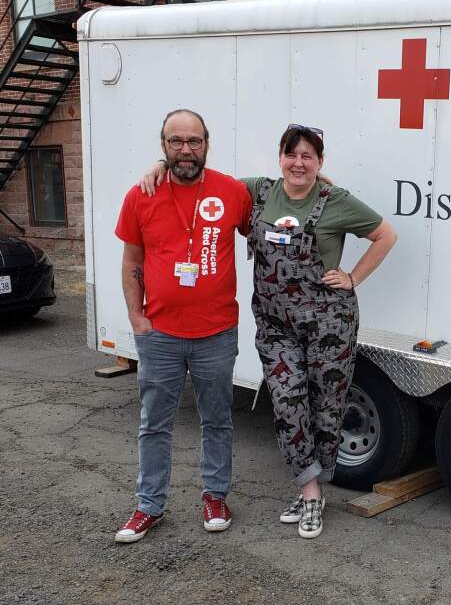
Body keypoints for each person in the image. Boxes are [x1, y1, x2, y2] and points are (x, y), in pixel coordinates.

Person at [140, 124, 397, 539]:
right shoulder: (257, 191)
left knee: (326, 407)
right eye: (291, 154)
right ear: (280, 157)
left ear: (320, 162)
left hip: (329, 325)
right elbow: (205, 181)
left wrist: (353, 277)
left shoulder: (337, 201)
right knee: (287, 402)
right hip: (276, 326)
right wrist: (160, 164)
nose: (299, 163)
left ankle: (313, 494)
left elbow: (385, 234)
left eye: (307, 156)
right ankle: (309, 489)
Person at [114, 109, 252, 543]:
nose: (186, 149)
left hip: (216, 332)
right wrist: (136, 318)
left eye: (194, 141)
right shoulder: (141, 195)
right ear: (163, 146)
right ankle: (148, 505)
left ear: (207, 144)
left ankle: (215, 495)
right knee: (154, 422)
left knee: (217, 419)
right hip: (161, 335)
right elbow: (132, 261)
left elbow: (278, 212)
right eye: (177, 142)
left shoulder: (232, 192)